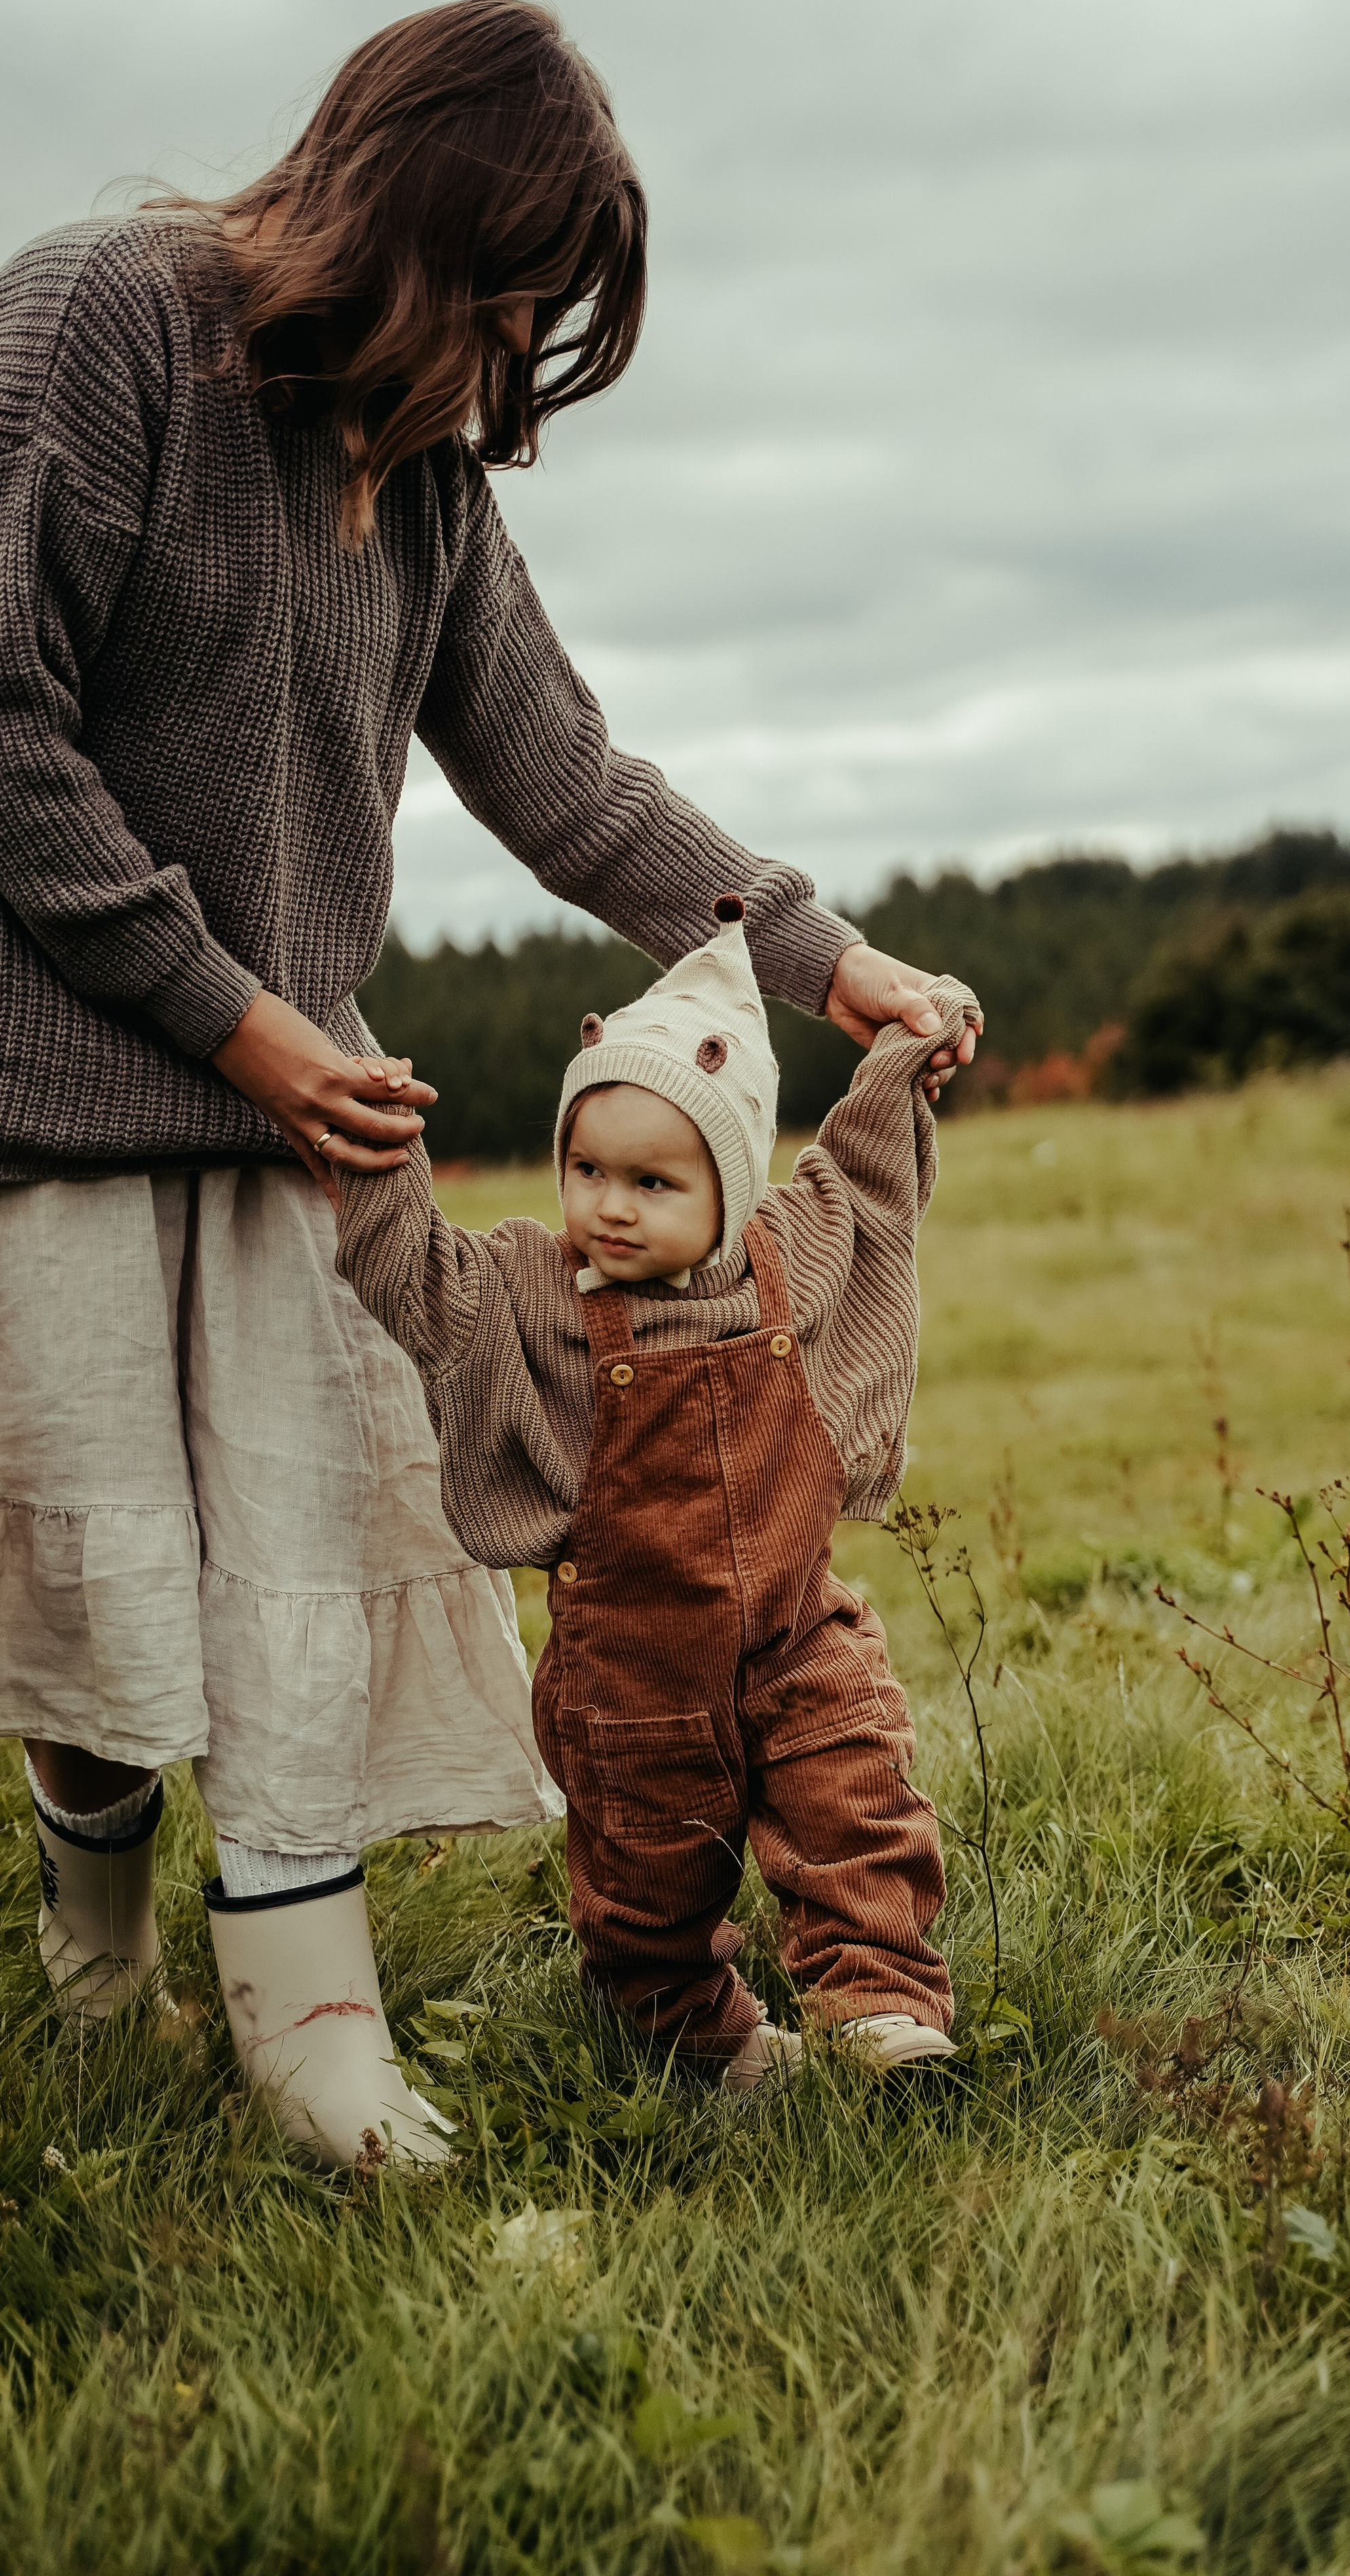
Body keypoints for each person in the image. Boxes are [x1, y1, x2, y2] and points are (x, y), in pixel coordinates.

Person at [0, 0, 977, 2171]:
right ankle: (95, 1960)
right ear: (403, 215)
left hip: (277, 1115)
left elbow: (568, 778)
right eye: (509, 294)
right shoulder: (94, 324)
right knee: (83, 1579)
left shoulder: (416, 481)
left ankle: (306, 2025)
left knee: (296, 1553)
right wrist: (240, 1015)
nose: (513, 354)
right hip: (20, 1101)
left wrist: (831, 958)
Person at [329, 896, 979, 2093]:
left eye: (654, 1182)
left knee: (857, 1801)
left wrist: (909, 1052)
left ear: (730, 1186)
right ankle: (693, 2036)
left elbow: (865, 1174)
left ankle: (881, 2010)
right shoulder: (533, 1295)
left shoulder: (787, 1258)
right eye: (587, 1170)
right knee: (648, 1883)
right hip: (631, 1677)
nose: (612, 1206)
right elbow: (414, 1274)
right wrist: (371, 1130)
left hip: (796, 1632)